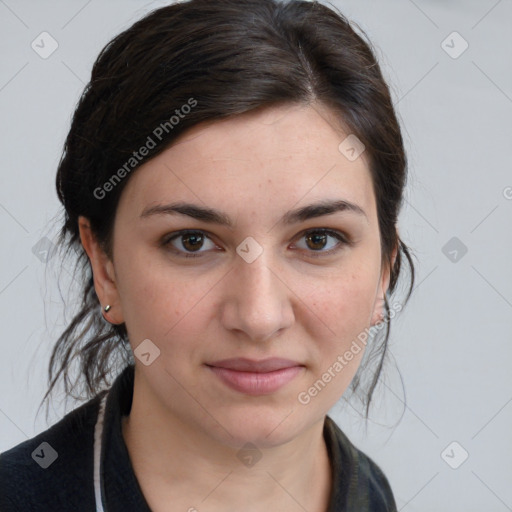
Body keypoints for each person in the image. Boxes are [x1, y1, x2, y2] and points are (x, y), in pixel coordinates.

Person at [0, 0, 415, 510]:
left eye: (317, 239)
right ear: (104, 267)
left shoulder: (370, 493)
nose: (259, 317)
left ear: (383, 270)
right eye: (191, 241)